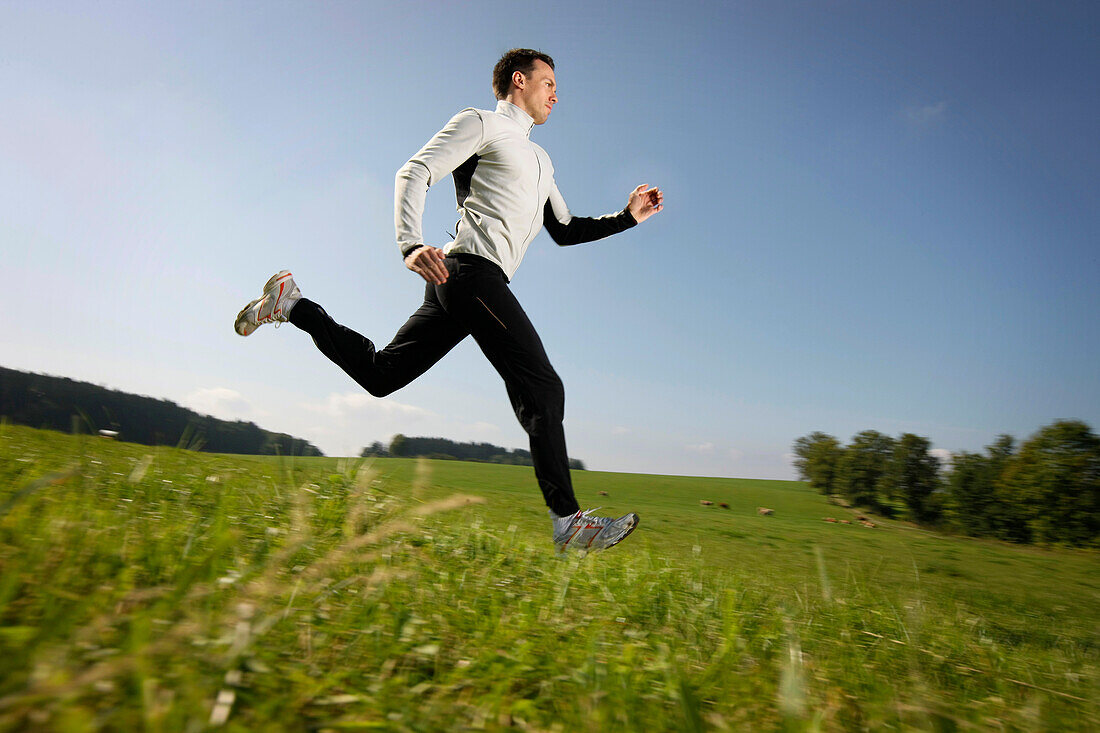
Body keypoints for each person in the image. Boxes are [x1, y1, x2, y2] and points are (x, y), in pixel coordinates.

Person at [235, 48, 663, 552]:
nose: (556, 93)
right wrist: (410, 243)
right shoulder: (481, 124)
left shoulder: (542, 161)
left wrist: (628, 216)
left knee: (381, 375)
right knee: (543, 388)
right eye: (548, 82)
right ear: (519, 81)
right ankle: (568, 524)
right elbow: (413, 172)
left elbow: (565, 230)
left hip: (467, 285)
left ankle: (291, 304)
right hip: (468, 275)